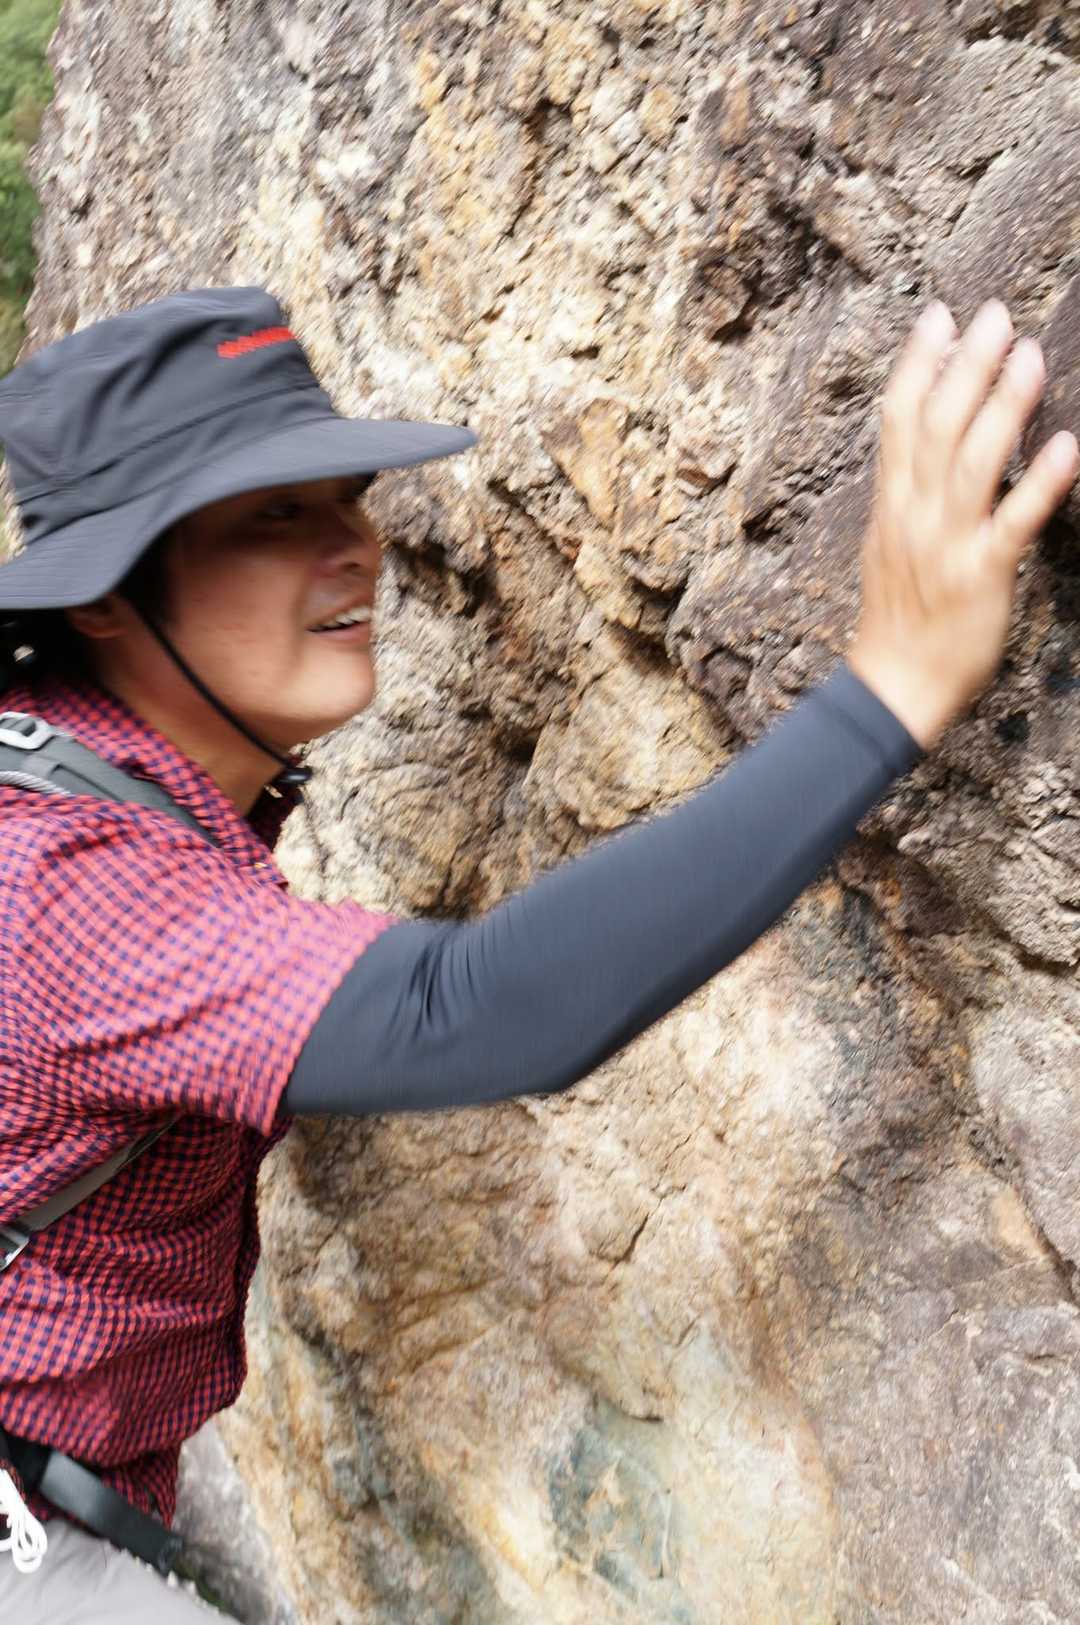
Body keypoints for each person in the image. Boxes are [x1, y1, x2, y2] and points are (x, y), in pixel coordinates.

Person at [0, 285, 1075, 1621]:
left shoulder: (85, 774)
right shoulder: (62, 874)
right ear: (106, 596)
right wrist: (889, 689)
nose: (355, 549)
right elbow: (472, 1008)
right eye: (273, 515)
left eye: (345, 497)